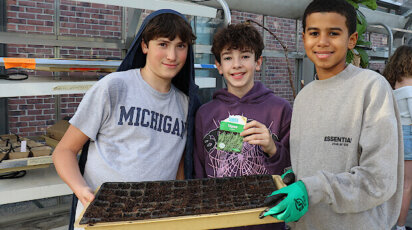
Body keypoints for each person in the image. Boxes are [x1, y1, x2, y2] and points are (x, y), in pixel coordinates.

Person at [261, 0, 404, 229]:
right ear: (304, 37)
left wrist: (312, 188)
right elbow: (309, 164)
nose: (323, 42)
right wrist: (294, 178)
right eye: (314, 33)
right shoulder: (304, 97)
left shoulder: (370, 88)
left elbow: (379, 180)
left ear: (352, 40)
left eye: (334, 33)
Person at [52, 9, 200, 229]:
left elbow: (179, 164)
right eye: (163, 44)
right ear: (144, 46)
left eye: (181, 46)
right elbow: (64, 151)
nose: (172, 56)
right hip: (102, 216)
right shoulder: (113, 87)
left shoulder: (186, 105)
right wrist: (81, 189)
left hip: (155, 219)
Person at [194, 23, 292, 230]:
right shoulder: (205, 113)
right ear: (219, 66)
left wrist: (273, 149)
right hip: (219, 220)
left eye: (245, 56)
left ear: (258, 62)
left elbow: (292, 175)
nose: (237, 65)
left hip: (266, 221)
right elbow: (199, 171)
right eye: (228, 58)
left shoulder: (280, 110)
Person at [383, 45, 412, 230]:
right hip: (408, 135)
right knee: (406, 185)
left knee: (392, 184)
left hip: (392, 134)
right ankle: (401, 227)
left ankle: (386, 223)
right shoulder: (410, 87)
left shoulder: (390, 84)